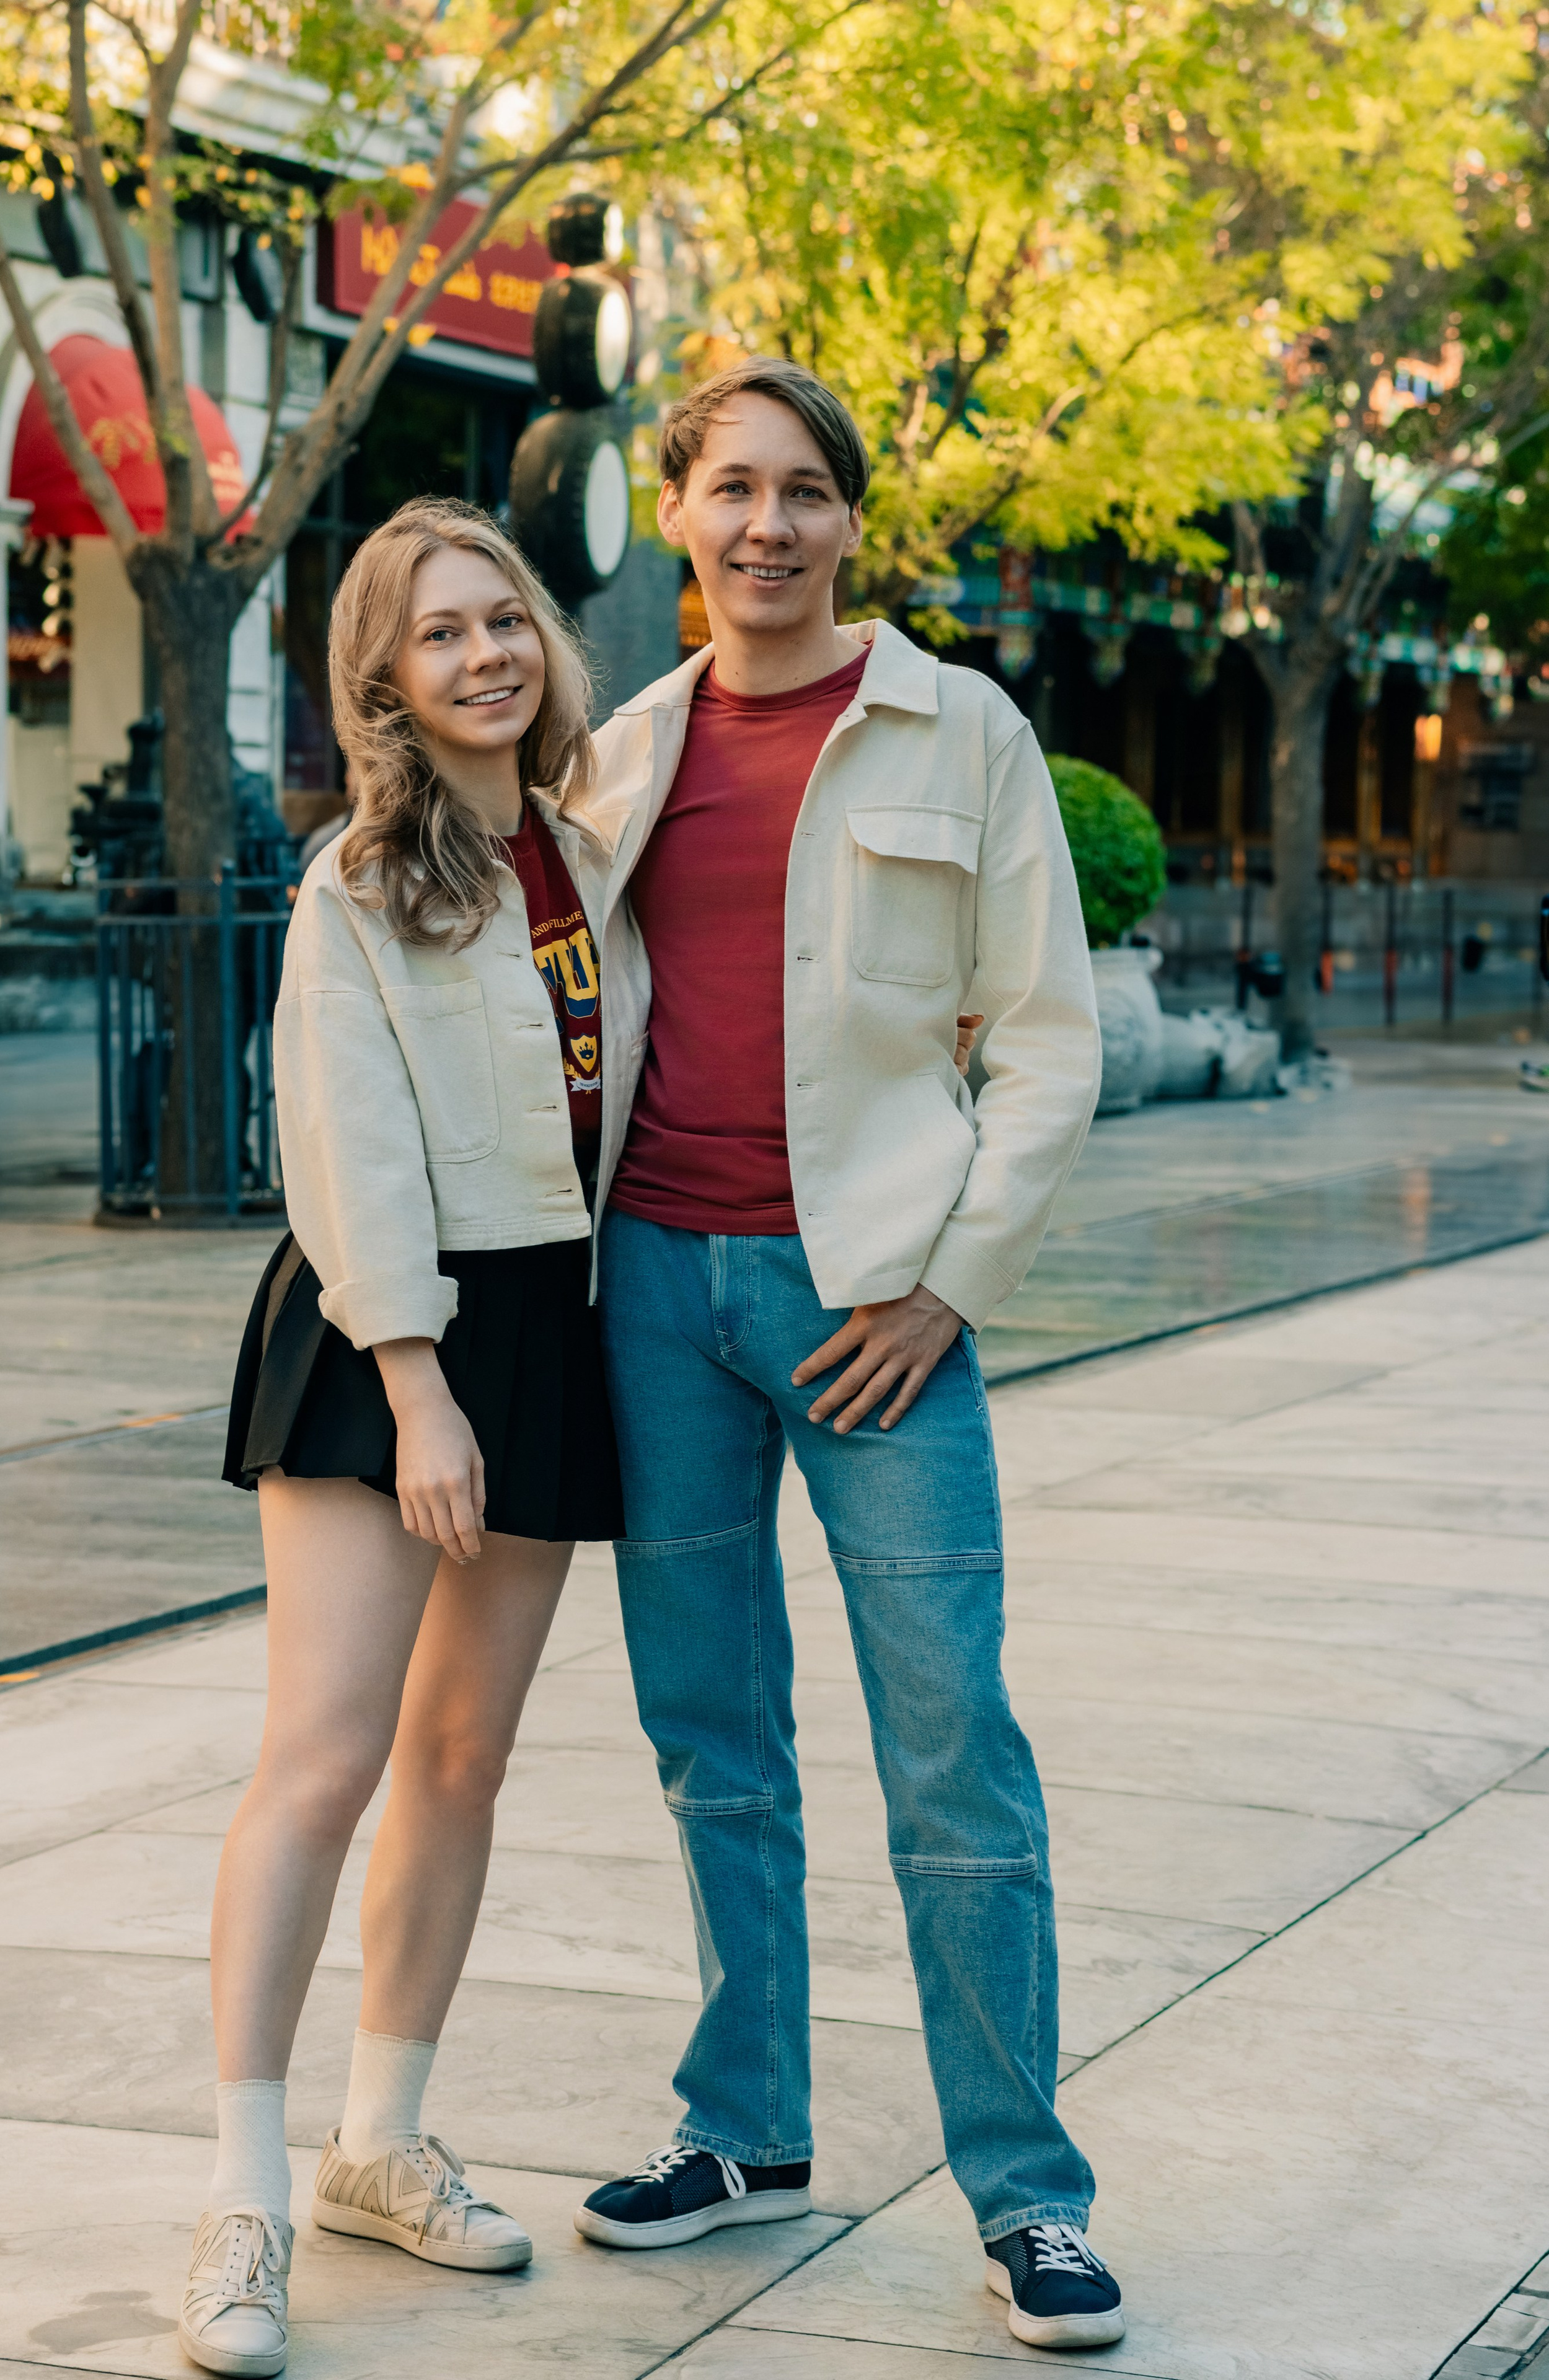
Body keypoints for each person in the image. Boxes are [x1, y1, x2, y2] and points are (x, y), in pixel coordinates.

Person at [570, 356, 1125, 2353]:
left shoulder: (957, 727)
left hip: (876, 1299)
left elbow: (1047, 1030)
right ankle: (745, 2131)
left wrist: (950, 1286)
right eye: (733, 489)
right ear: (683, 507)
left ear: (849, 522)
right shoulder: (620, 749)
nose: (768, 527)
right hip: (655, 1291)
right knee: (711, 1738)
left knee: (951, 1748)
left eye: (806, 492)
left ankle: (1031, 2199)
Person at [185, 498, 622, 2378]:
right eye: (439, 635)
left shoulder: (591, 854)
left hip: (551, 1325)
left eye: (503, 618)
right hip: (390, 1329)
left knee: (462, 1760)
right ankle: (245, 2197)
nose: (484, 656)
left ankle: (384, 2141)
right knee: (324, 1758)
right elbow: (348, 1142)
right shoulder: (358, 876)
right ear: (385, 679)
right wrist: (419, 1381)